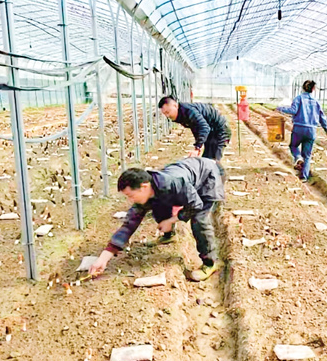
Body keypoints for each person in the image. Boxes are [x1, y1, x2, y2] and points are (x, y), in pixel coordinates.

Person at [88, 157, 225, 282]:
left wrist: (171, 220)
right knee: (158, 205)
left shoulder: (174, 183)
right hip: (188, 175)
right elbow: (129, 224)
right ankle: (169, 235)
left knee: (199, 220)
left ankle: (210, 263)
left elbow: (196, 205)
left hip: (208, 176)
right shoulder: (151, 188)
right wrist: (103, 258)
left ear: (144, 187)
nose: (130, 200)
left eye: (130, 195)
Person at [276, 80, 327, 182]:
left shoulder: (299, 98)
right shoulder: (316, 101)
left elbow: (293, 110)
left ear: (303, 88)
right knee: (307, 155)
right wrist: (326, 129)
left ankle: (298, 157)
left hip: (299, 128)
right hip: (311, 130)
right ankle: (304, 177)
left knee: (293, 146)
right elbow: (322, 116)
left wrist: (280, 109)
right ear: (313, 89)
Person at [159, 96, 231, 163]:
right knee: (206, 160)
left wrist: (197, 148)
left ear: (175, 105)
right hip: (211, 132)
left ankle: (219, 172)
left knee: (213, 161)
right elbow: (196, 128)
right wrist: (198, 145)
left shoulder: (189, 111)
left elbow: (204, 127)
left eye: (168, 112)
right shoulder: (182, 114)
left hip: (220, 130)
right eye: (165, 114)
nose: (167, 116)